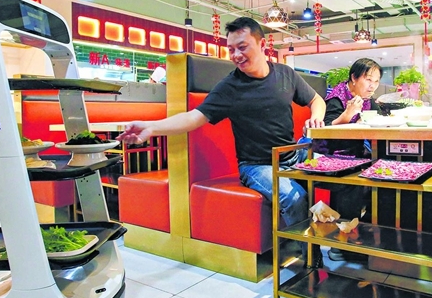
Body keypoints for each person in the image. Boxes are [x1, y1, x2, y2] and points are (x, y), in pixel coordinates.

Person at [117, 17, 326, 263]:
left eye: (242, 47)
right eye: (231, 49)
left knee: (344, 173)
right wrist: (151, 127)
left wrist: (316, 117)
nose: (236, 55)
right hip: (257, 165)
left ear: (262, 45)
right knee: (293, 197)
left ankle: (346, 244)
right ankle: (312, 261)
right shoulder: (230, 87)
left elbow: (316, 100)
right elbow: (194, 117)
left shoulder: (285, 74)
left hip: (293, 154)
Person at [319, 58, 382, 261]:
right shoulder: (336, 98)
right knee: (353, 182)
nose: (372, 86)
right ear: (353, 78)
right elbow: (326, 130)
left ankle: (362, 233)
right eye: (368, 79)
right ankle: (340, 245)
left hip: (356, 154)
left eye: (376, 81)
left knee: (383, 177)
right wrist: (348, 113)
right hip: (330, 156)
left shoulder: (368, 101)